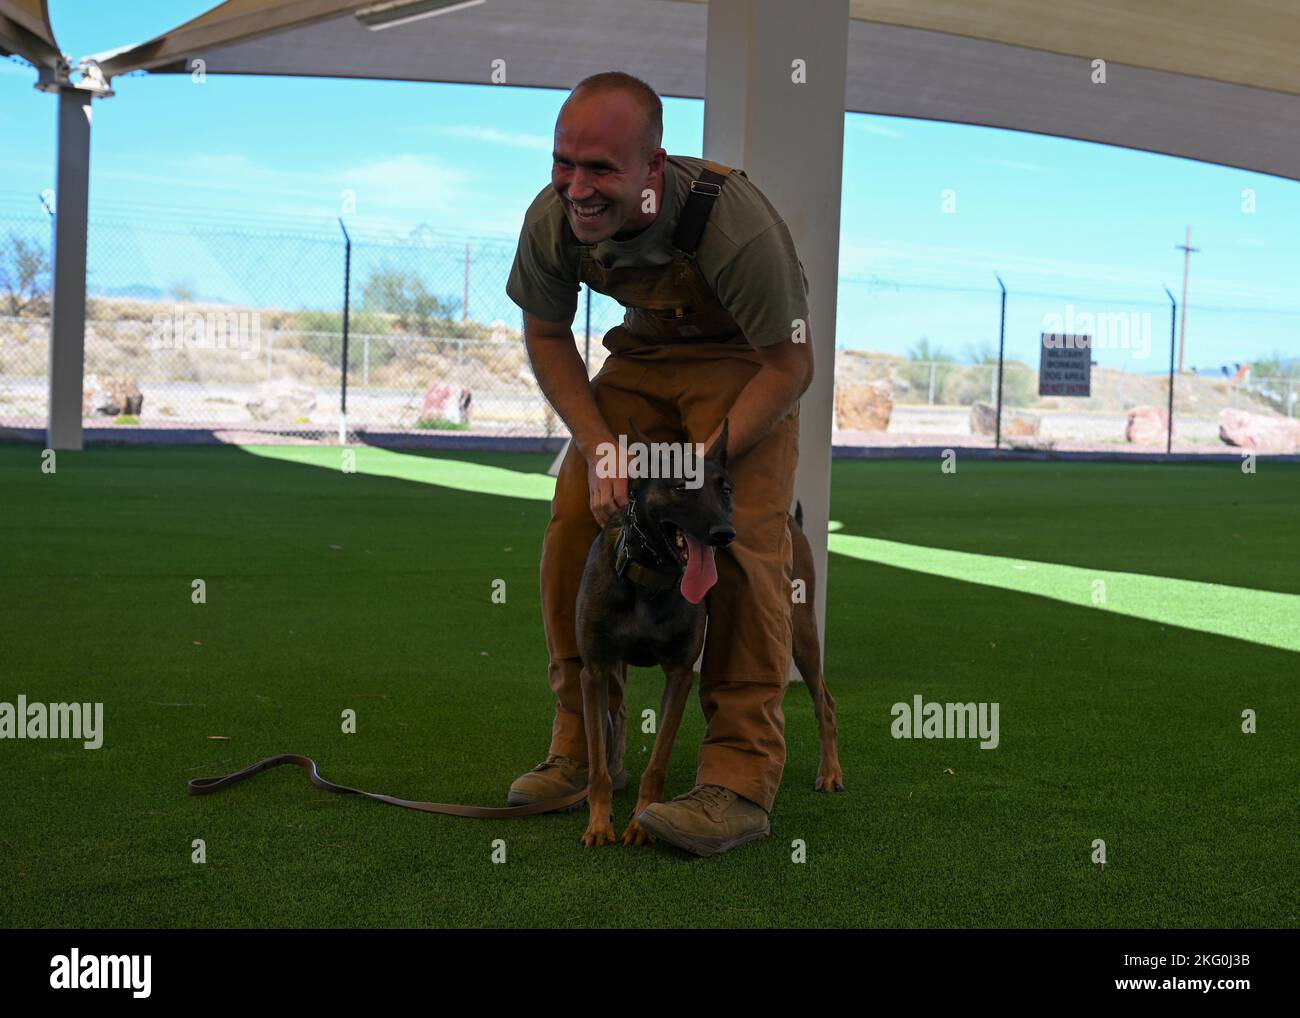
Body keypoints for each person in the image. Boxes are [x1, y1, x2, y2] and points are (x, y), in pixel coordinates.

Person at [504, 71, 812, 856]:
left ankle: (736, 783)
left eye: (601, 168)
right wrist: (601, 446)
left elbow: (791, 365)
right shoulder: (554, 219)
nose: (578, 186)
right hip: (642, 356)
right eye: (563, 162)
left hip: (747, 366)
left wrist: (702, 468)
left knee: (730, 539)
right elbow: (547, 336)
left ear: (653, 168)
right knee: (578, 515)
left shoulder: (734, 226)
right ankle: (581, 743)